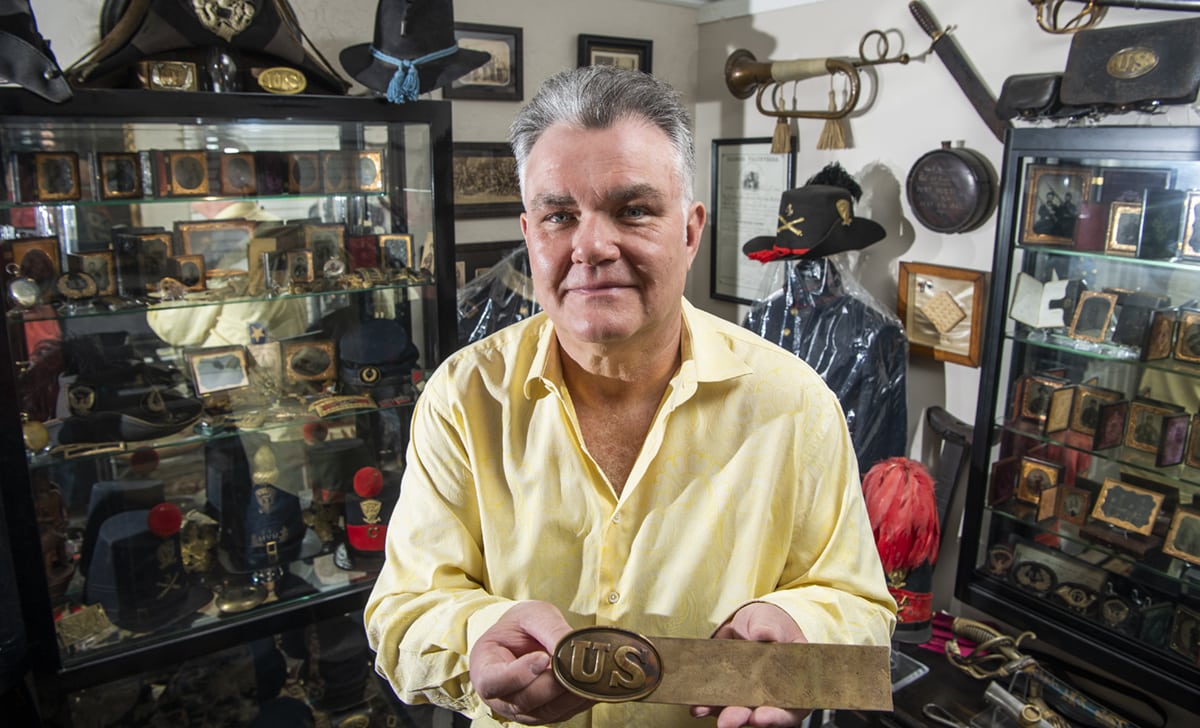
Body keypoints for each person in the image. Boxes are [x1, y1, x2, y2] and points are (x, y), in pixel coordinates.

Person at [365, 66, 895, 727]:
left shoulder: (794, 403)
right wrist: (478, 635)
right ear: (529, 235)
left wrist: (800, 623)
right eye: (559, 216)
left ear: (691, 232)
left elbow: (861, 609)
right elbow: (402, 611)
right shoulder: (462, 398)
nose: (591, 246)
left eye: (634, 210)